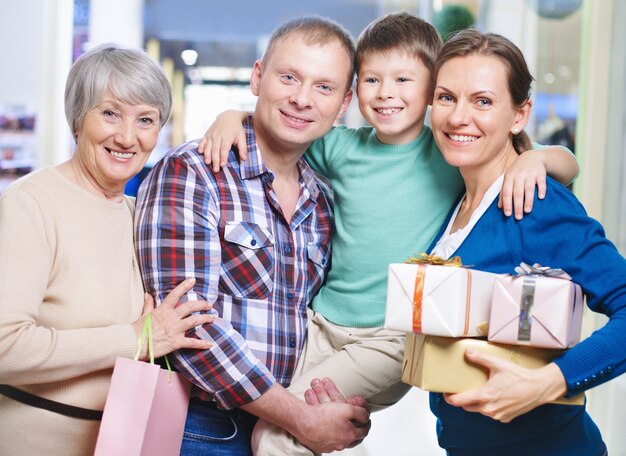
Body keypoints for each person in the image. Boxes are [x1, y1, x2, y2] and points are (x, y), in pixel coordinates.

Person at [200, 12, 579, 456]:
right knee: (277, 419)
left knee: (278, 435)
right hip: (319, 325)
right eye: (371, 79)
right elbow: (283, 126)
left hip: (390, 335)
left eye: (404, 80)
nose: (385, 94)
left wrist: (538, 160)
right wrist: (233, 116)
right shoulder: (340, 148)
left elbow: (567, 162)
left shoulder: (447, 150)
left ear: (432, 90)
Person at [134, 17, 371, 456]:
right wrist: (302, 418)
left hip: (283, 436)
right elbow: (186, 328)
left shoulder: (322, 200)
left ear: (343, 104)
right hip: (199, 428)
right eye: (289, 77)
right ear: (258, 77)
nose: (302, 99)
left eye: (324, 87)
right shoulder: (194, 172)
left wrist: (331, 405)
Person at [0, 44, 214, 456]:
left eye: (146, 120)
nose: (127, 137)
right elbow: (5, 347)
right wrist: (136, 337)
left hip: (123, 442)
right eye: (110, 113)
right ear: (78, 118)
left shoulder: (141, 216)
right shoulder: (32, 203)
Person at [425, 29, 625, 455]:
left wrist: (546, 384)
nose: (459, 117)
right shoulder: (456, 198)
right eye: (446, 97)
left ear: (519, 115)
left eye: (482, 101)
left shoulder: (536, 203)